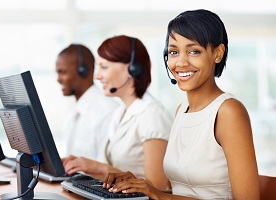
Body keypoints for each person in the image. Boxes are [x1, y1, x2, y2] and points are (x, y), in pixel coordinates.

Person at [102, 9, 260, 199]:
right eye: (173, 52)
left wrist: (159, 195)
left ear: (217, 53)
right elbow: (184, 192)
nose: (181, 62)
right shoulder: (182, 111)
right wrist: (141, 186)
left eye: (194, 51)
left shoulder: (228, 111)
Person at [62, 35, 173, 191]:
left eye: (104, 67)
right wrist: (85, 166)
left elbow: (158, 187)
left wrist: (98, 167)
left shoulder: (151, 115)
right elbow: (114, 178)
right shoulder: (120, 112)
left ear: (132, 68)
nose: (97, 76)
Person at [56, 44, 118, 162]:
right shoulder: (74, 113)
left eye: (62, 72)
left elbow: (107, 168)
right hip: (73, 179)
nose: (58, 79)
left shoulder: (106, 111)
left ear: (83, 71)